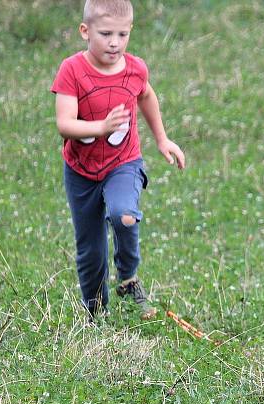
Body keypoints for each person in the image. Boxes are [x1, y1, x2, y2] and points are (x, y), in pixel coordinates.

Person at [51, 0, 185, 319]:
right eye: (106, 33)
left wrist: (162, 139)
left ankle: (128, 278)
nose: (114, 42)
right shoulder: (72, 70)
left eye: (122, 34)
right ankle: (96, 312)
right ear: (85, 31)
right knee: (91, 251)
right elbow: (64, 124)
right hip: (81, 172)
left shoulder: (135, 68)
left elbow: (147, 95)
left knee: (124, 214)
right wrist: (101, 127)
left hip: (123, 163)